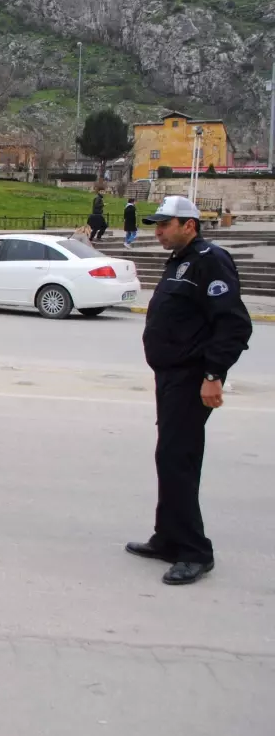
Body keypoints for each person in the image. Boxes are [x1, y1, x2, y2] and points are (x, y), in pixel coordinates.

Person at [128, 195, 252, 586]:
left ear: (189, 225)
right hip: (170, 377)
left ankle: (195, 551)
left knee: (178, 458)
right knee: (169, 456)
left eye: (166, 224)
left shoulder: (210, 260)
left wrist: (213, 374)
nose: (158, 230)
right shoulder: (181, 260)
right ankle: (167, 537)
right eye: (157, 224)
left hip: (191, 378)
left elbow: (233, 324)